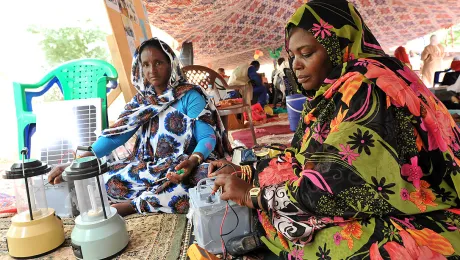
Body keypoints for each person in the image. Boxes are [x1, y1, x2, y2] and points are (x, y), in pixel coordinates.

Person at [207, 0, 460, 259]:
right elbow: (303, 155)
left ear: (339, 47)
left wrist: (252, 194)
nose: (295, 65)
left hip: (422, 207)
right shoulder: (335, 91)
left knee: (340, 243)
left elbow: (333, 187)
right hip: (362, 192)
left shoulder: (366, 87)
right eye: (293, 55)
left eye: (306, 53)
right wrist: (247, 172)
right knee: (284, 199)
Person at [48, 38, 229, 216]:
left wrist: (192, 161)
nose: (152, 70)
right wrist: (77, 162)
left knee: (211, 179)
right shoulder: (141, 102)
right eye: (146, 64)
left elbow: (207, 137)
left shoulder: (189, 96)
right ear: (139, 68)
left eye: (158, 63)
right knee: (106, 179)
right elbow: (117, 135)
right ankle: (149, 199)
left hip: (185, 165)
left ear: (170, 64)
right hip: (150, 167)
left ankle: (134, 205)